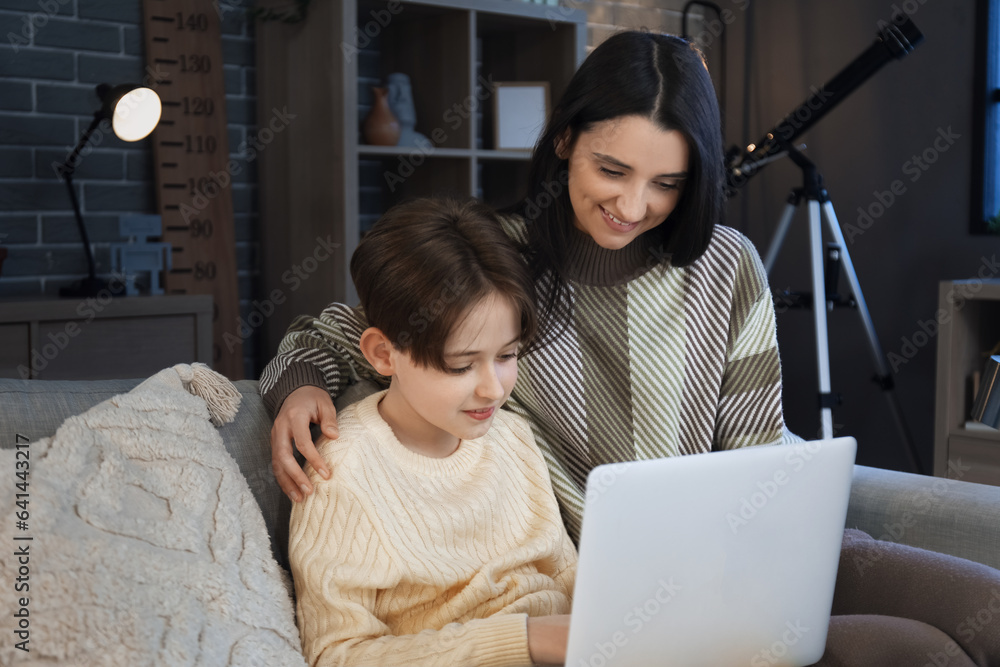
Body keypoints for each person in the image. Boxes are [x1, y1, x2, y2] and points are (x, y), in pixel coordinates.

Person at [264, 31, 1000, 665]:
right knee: (916, 648)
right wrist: (300, 384)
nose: (633, 205)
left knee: (986, 609)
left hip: (748, 546)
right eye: (611, 170)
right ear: (564, 142)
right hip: (625, 582)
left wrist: (781, 536)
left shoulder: (727, 263)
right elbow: (348, 330)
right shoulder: (499, 261)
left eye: (667, 183)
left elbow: (753, 446)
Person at [288, 197, 576, 667]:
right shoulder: (343, 475)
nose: (492, 389)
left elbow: (567, 575)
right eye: (460, 365)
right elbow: (335, 655)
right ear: (383, 354)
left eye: (507, 356)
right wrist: (522, 640)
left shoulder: (514, 437)